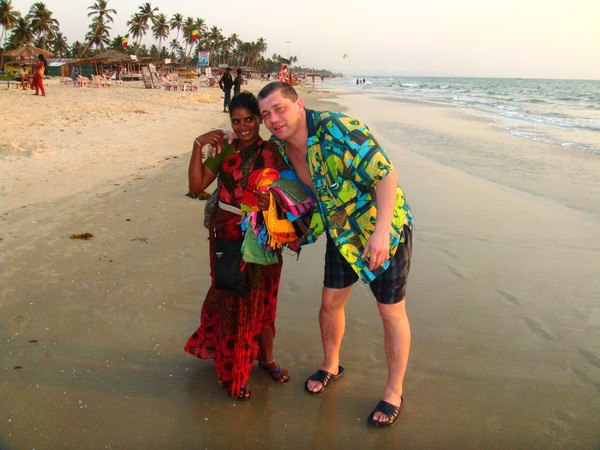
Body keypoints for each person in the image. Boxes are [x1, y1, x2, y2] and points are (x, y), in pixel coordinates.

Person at [257, 82, 413, 427]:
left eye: (279, 108)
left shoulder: (339, 129)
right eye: (266, 114)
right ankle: (331, 365)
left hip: (381, 228)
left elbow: (386, 176)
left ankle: (394, 392)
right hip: (341, 232)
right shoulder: (279, 147)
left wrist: (381, 233)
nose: (273, 119)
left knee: (390, 311)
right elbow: (257, 160)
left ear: (299, 104)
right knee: (330, 302)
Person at [184, 92, 291, 400]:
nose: (243, 127)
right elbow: (196, 186)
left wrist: (271, 200)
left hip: (263, 235)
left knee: (263, 299)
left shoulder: (273, 151)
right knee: (234, 299)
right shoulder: (225, 148)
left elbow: (292, 190)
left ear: (259, 119)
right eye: (236, 121)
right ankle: (236, 368)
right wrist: (197, 145)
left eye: (249, 120)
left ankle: (266, 358)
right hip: (227, 234)